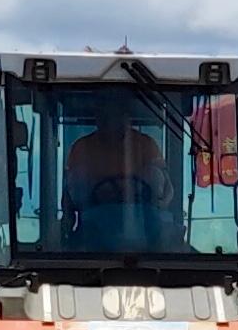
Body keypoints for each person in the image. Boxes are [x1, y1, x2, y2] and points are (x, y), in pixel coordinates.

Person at [59, 104, 180, 248]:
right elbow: (72, 192)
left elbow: (164, 188)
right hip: (93, 227)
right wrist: (65, 228)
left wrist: (160, 207)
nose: (109, 121)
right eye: (104, 116)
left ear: (126, 118)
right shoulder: (82, 147)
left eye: (114, 115)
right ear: (97, 118)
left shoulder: (145, 145)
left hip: (144, 224)